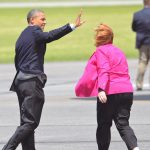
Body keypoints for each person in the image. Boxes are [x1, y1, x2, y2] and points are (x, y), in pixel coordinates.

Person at [2, 8, 85, 150]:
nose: (45, 22)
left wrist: (23, 76)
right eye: (42, 19)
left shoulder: (22, 36)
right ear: (32, 20)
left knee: (27, 123)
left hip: (21, 81)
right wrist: (71, 26)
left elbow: (17, 60)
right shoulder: (35, 31)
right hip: (31, 82)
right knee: (30, 123)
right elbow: (49, 36)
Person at [75, 24, 139, 150]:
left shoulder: (101, 51)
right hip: (126, 91)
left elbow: (104, 69)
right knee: (123, 125)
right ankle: (135, 148)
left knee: (104, 125)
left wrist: (101, 89)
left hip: (110, 92)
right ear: (111, 38)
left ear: (98, 39)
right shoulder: (119, 51)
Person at [132, 0, 150, 91]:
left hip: (142, 42)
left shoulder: (137, 14)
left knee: (142, 62)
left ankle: (139, 84)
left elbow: (134, 28)